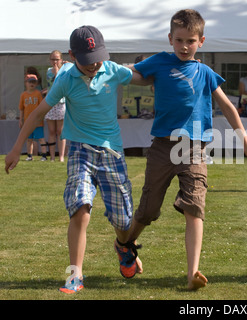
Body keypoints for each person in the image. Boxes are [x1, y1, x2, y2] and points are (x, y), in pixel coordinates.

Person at [5, 25, 151, 294]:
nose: (95, 64)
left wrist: (173, 65)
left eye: (99, 57)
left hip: (112, 153)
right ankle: (75, 274)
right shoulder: (65, 79)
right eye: (87, 60)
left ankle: (123, 246)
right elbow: (38, 113)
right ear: (72, 56)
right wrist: (16, 149)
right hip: (80, 151)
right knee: (80, 208)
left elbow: (145, 78)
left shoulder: (112, 70)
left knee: (122, 221)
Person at [123, 9, 247, 290]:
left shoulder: (205, 73)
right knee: (148, 211)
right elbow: (134, 76)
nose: (185, 46)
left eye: (191, 41)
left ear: (201, 41)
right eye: (180, 40)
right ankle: (124, 243)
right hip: (162, 146)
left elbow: (228, 107)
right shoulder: (159, 62)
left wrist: (246, 142)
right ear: (170, 39)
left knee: (195, 207)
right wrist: (108, 69)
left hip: (194, 149)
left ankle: (192, 273)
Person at [44, 50, 67, 162]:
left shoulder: (65, 70)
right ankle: (52, 156)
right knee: (52, 131)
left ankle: (61, 156)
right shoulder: (48, 71)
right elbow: (52, 83)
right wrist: (55, 71)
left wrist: (58, 70)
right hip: (51, 103)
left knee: (60, 131)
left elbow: (61, 82)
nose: (55, 61)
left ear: (61, 60)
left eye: (57, 59)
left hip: (61, 102)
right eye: (53, 59)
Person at [18, 74, 47, 161]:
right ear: (26, 83)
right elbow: (21, 109)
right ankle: (30, 156)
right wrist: (21, 120)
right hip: (27, 121)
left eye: (34, 82)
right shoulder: (23, 95)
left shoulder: (38, 94)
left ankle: (44, 155)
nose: (32, 84)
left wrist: (41, 116)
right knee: (29, 139)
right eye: (30, 82)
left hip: (38, 121)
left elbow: (42, 106)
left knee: (41, 138)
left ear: (37, 83)